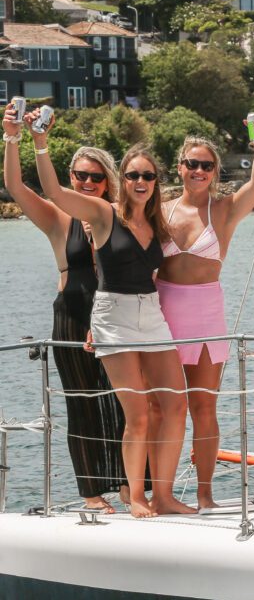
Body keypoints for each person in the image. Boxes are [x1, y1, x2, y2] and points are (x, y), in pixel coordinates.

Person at [30, 110, 192, 519]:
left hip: (150, 313)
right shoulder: (104, 216)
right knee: (136, 414)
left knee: (175, 404)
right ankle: (136, 496)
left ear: (156, 182)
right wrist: (40, 141)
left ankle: (165, 495)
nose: (141, 183)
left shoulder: (158, 222)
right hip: (113, 315)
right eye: (134, 176)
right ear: (124, 180)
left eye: (148, 177)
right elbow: (52, 189)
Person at [2, 104, 128, 512]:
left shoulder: (122, 218)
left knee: (128, 403)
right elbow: (17, 187)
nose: (87, 182)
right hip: (72, 318)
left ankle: (131, 486)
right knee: (82, 403)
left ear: (108, 183)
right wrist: (14, 135)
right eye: (80, 176)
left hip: (118, 318)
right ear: (70, 178)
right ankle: (91, 494)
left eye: (96, 177)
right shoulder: (59, 220)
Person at [157, 120, 254, 510]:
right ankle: (161, 493)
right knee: (164, 408)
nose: (198, 171)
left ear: (215, 172)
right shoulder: (160, 211)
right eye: (192, 164)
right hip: (163, 314)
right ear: (180, 167)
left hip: (206, 314)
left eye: (206, 166)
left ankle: (205, 495)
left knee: (203, 407)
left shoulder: (223, 210)